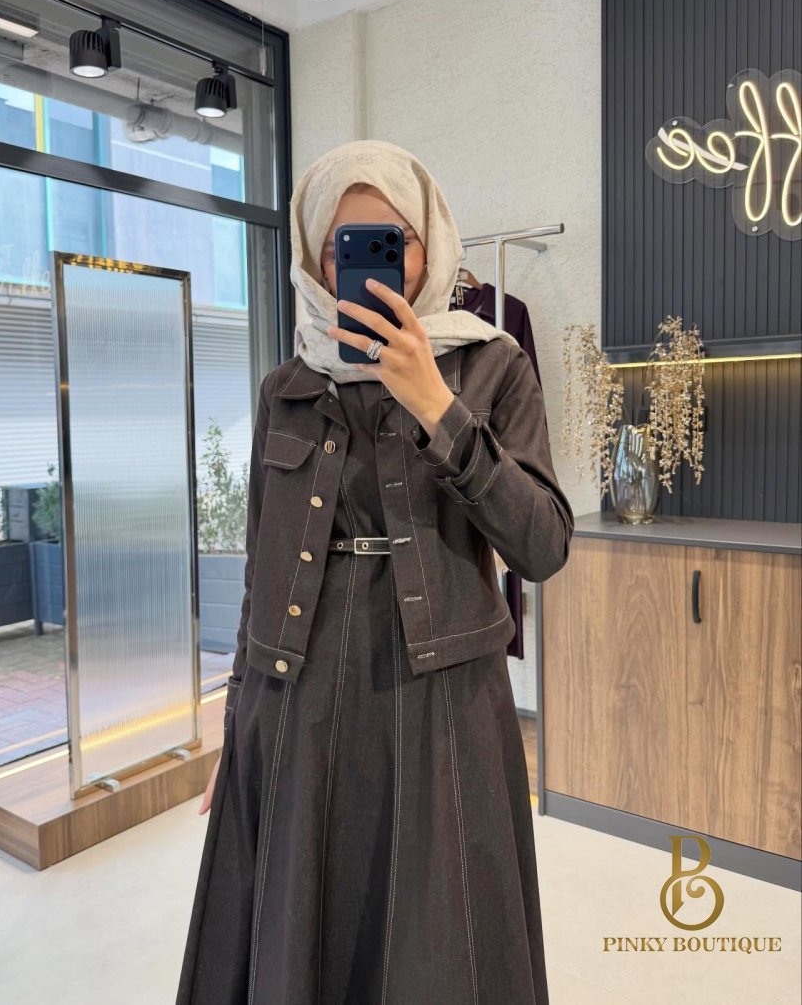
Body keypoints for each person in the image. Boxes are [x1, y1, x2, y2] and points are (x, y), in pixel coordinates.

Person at [177, 139, 574, 1004]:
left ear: (430, 245)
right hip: (301, 702)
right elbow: (261, 569)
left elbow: (542, 544)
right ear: (316, 262)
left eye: (392, 241)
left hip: (442, 706)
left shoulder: (492, 364)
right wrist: (239, 721)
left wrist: (437, 406)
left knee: (440, 946)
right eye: (340, 248)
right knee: (303, 937)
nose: (364, 266)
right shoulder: (287, 387)